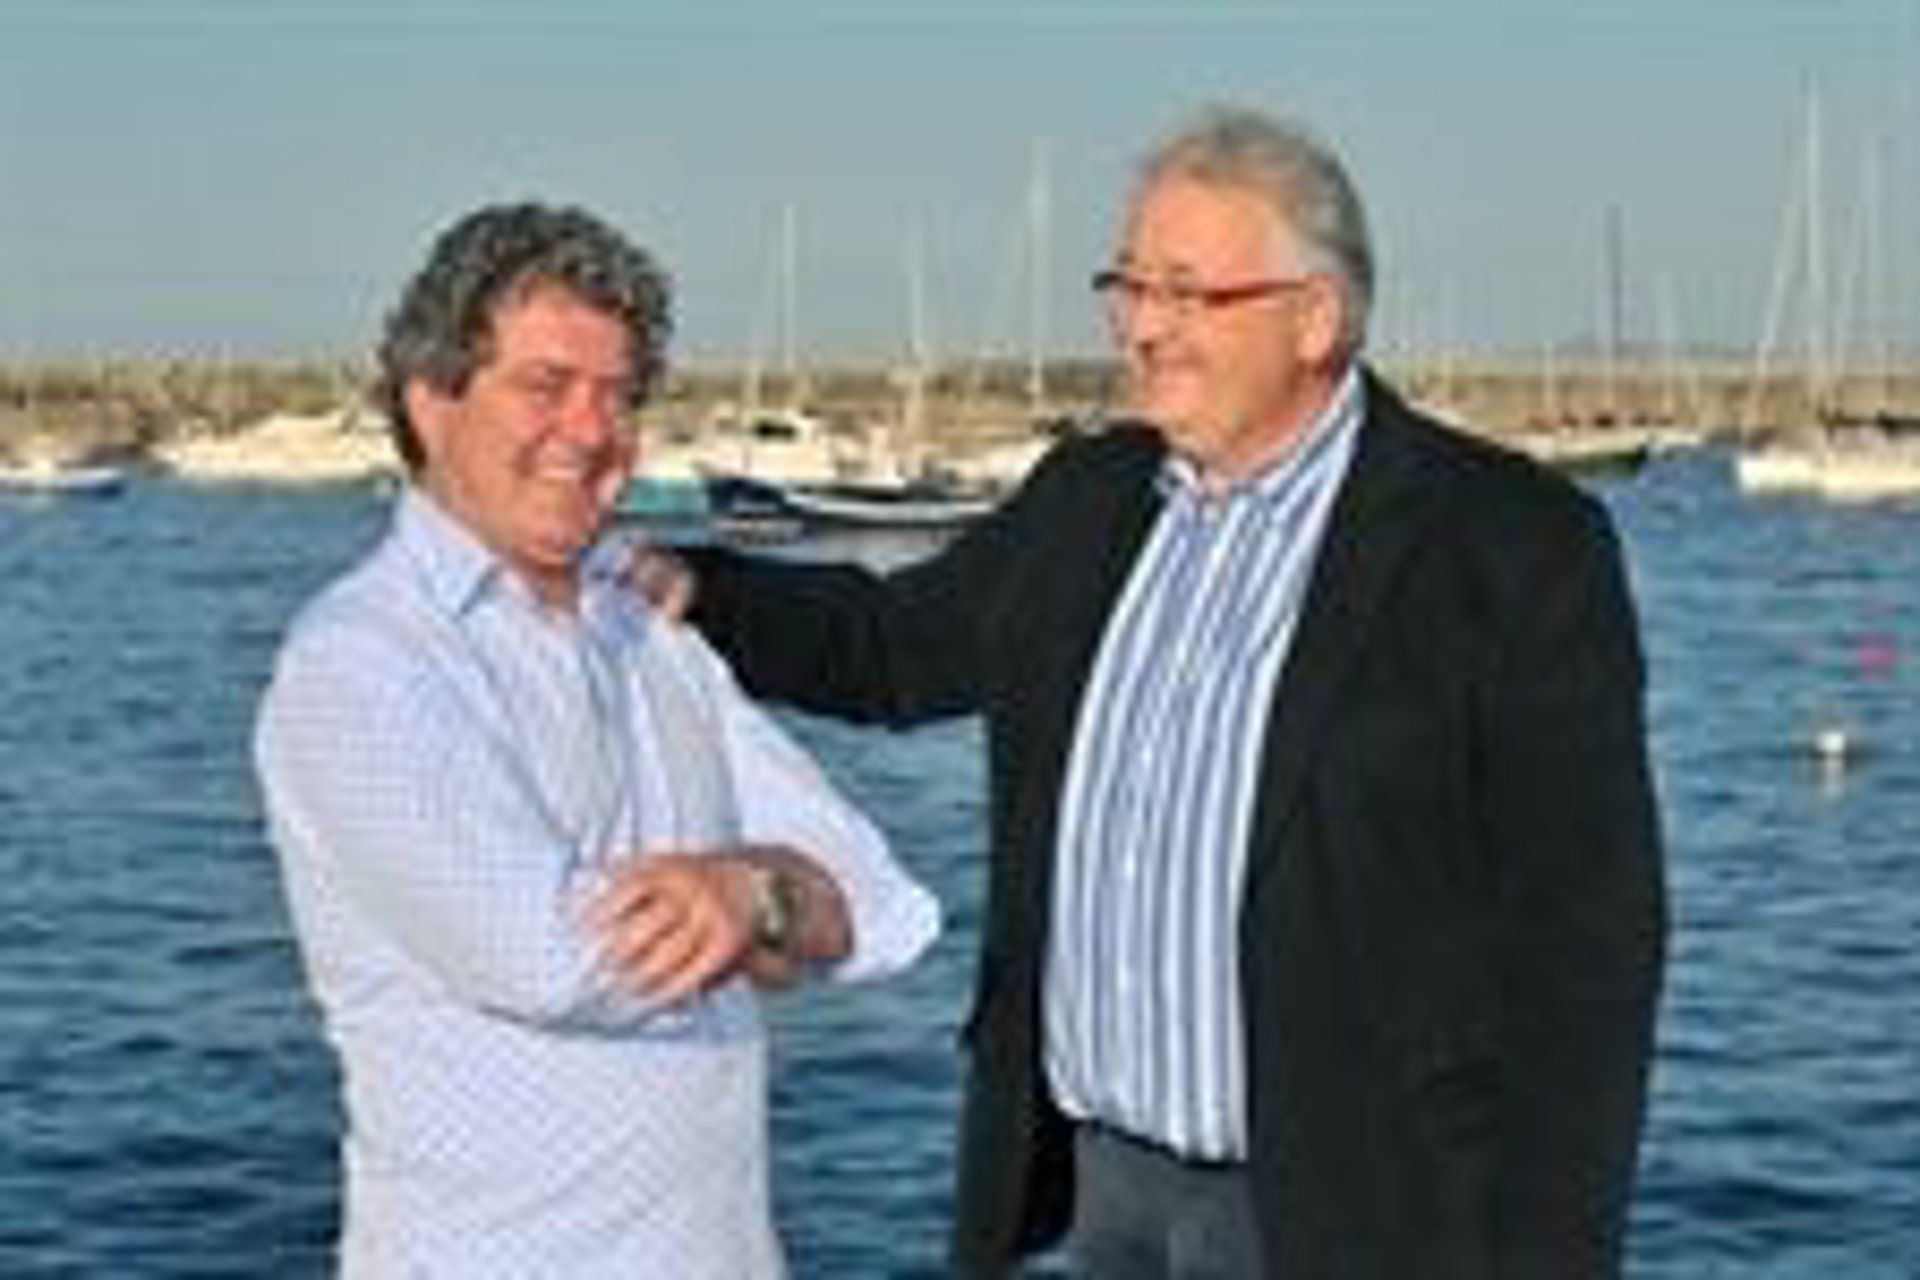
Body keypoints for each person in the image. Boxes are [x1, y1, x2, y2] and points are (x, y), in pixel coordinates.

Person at [657, 106, 1667, 1277]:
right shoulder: (1090, 496)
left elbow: (1587, 945)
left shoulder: (1511, 544)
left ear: (1316, 318)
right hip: (1098, 1201)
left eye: (1187, 293)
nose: (1142, 326)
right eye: (1129, 286)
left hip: (1353, 1210)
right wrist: (695, 587)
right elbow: (890, 649)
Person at [254, 202, 938, 1277]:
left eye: (618, 394)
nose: (590, 429)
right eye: (546, 384)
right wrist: (761, 903)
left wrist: (747, 894)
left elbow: (884, 908)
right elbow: (551, 957)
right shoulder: (362, 662)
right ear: (431, 400)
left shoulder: (648, 630)